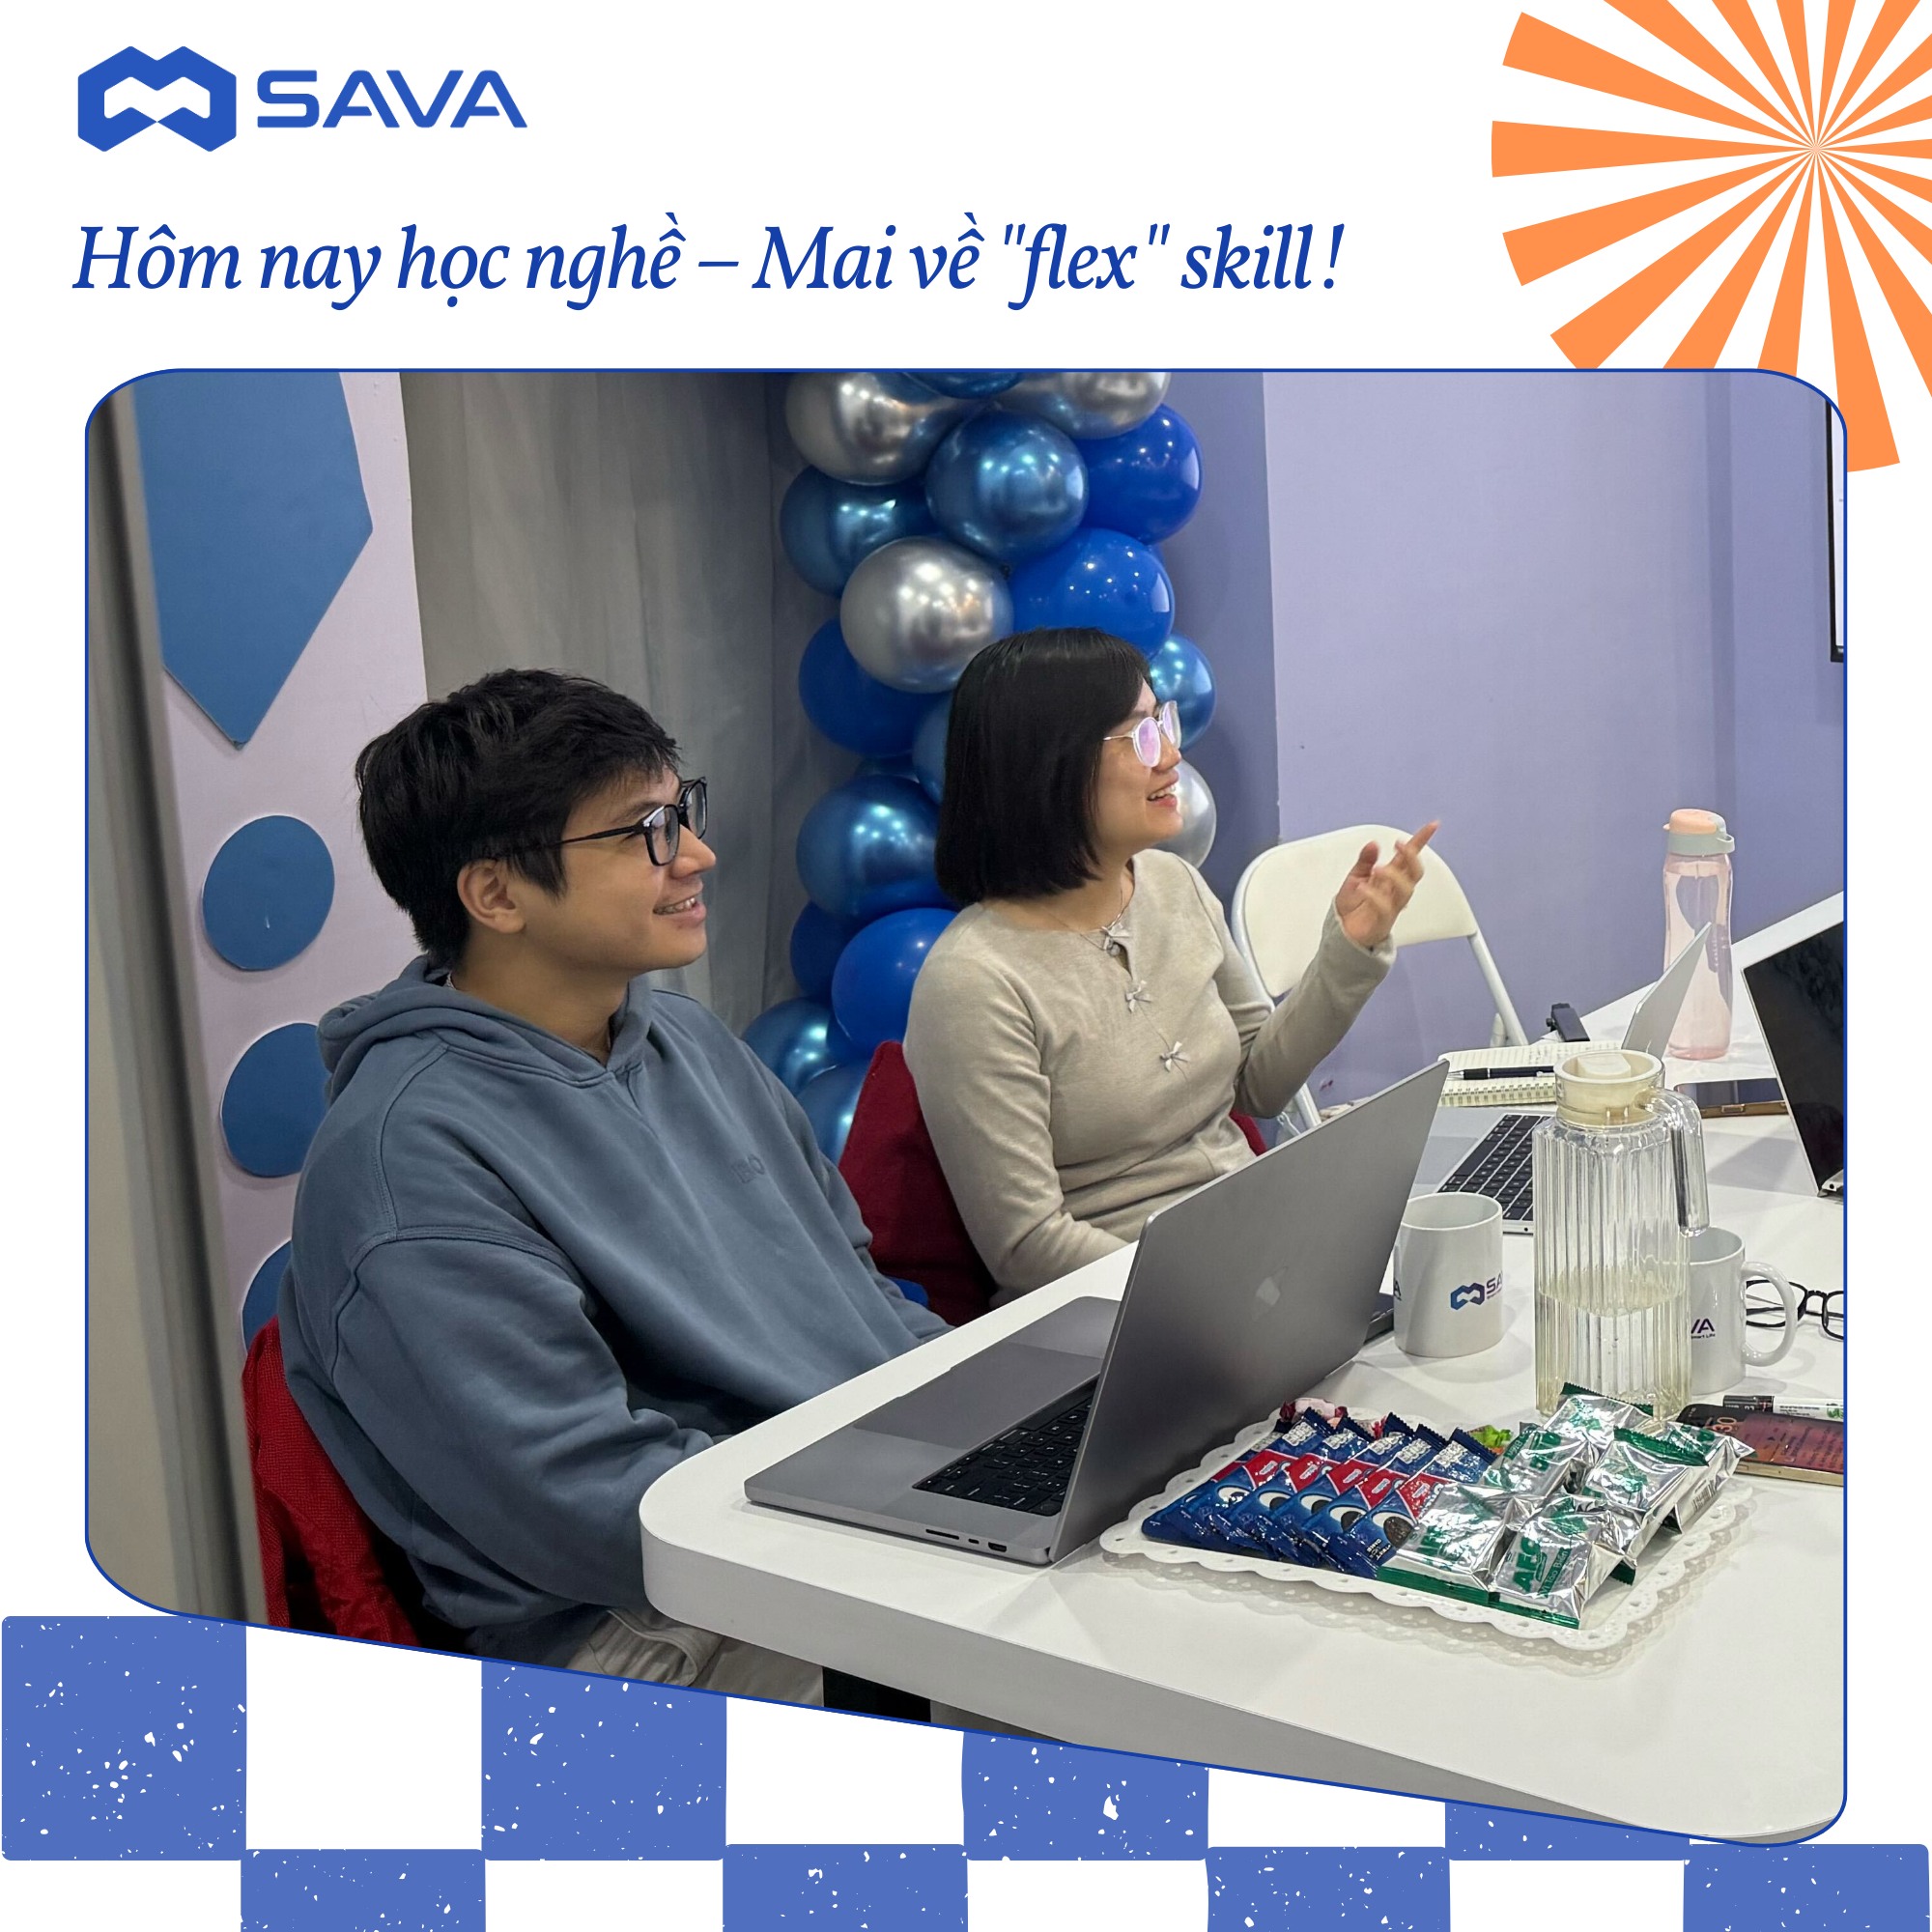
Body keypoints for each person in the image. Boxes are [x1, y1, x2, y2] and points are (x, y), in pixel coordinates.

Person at [280, 668, 947, 1697]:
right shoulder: (405, 1163)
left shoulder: (682, 1036)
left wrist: (988, 1417)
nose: (696, 855)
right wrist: (902, 1516)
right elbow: (592, 1507)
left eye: (683, 812)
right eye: (644, 832)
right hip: (655, 1620)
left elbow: (856, 1292)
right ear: (495, 893)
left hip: (840, 1500)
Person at [902, 629, 1435, 1300]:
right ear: (1048, 764)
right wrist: (1209, 1288)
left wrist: (1347, 951)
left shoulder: (1171, 882)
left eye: (1164, 723)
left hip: (1256, 1255)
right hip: (1120, 1305)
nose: (1174, 756)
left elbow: (1259, 1084)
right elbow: (1029, 1246)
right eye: (1141, 736)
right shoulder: (974, 980)